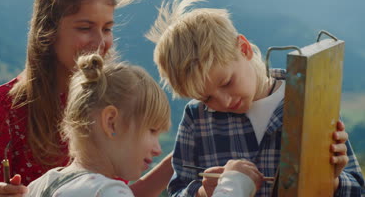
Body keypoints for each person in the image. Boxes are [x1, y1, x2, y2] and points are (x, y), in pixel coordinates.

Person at [0, 0, 169, 197]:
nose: (100, 42)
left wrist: (183, 155)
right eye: (84, 28)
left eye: (107, 28)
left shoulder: (111, 100)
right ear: (47, 31)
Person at [145, 0, 365, 197]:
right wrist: (204, 192)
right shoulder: (196, 117)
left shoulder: (310, 102)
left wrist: (330, 179)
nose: (224, 101)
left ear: (243, 49)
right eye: (207, 98)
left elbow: (356, 190)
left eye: (226, 82)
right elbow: (177, 190)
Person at [26, 53, 264, 197]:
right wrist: (235, 186)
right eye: (151, 131)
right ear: (111, 122)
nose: (157, 148)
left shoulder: (40, 185)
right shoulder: (108, 192)